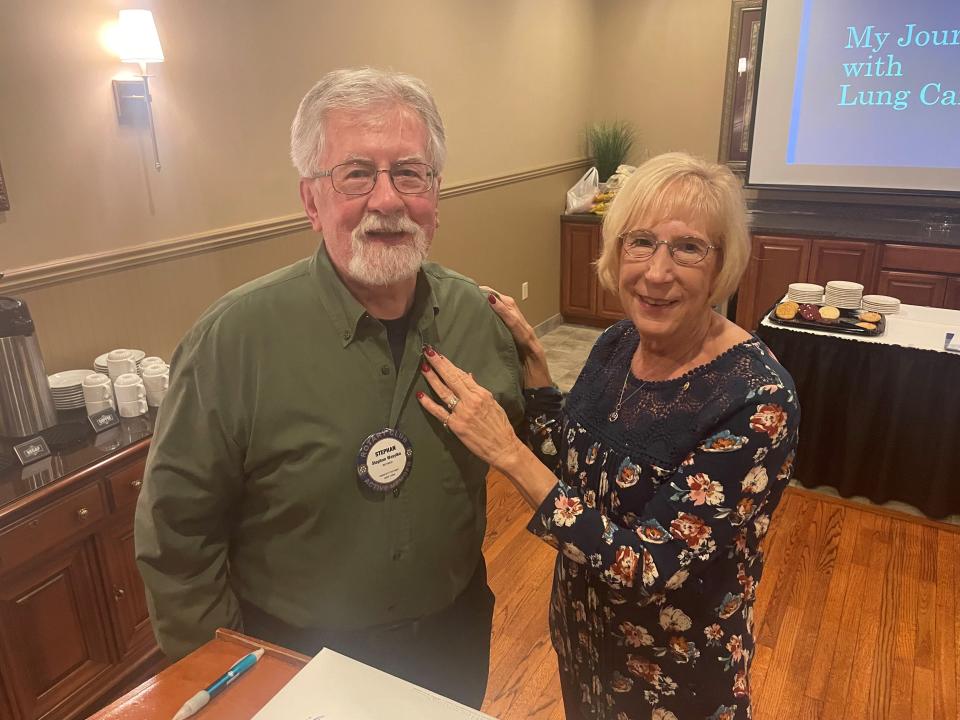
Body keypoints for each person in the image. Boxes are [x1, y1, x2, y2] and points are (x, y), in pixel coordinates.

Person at [134, 68, 524, 708]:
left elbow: (521, 444)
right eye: (356, 175)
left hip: (452, 636)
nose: (388, 200)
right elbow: (176, 534)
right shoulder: (233, 341)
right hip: (296, 655)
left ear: (436, 194)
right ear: (311, 202)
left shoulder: (476, 319)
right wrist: (229, 670)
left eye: (409, 173)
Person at [417, 152, 800, 719]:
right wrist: (537, 368)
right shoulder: (616, 344)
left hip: (674, 676)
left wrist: (508, 452)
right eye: (640, 241)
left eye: (688, 247)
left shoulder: (756, 399)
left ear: (722, 266)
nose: (657, 272)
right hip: (584, 641)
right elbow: (574, 461)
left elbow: (646, 566)